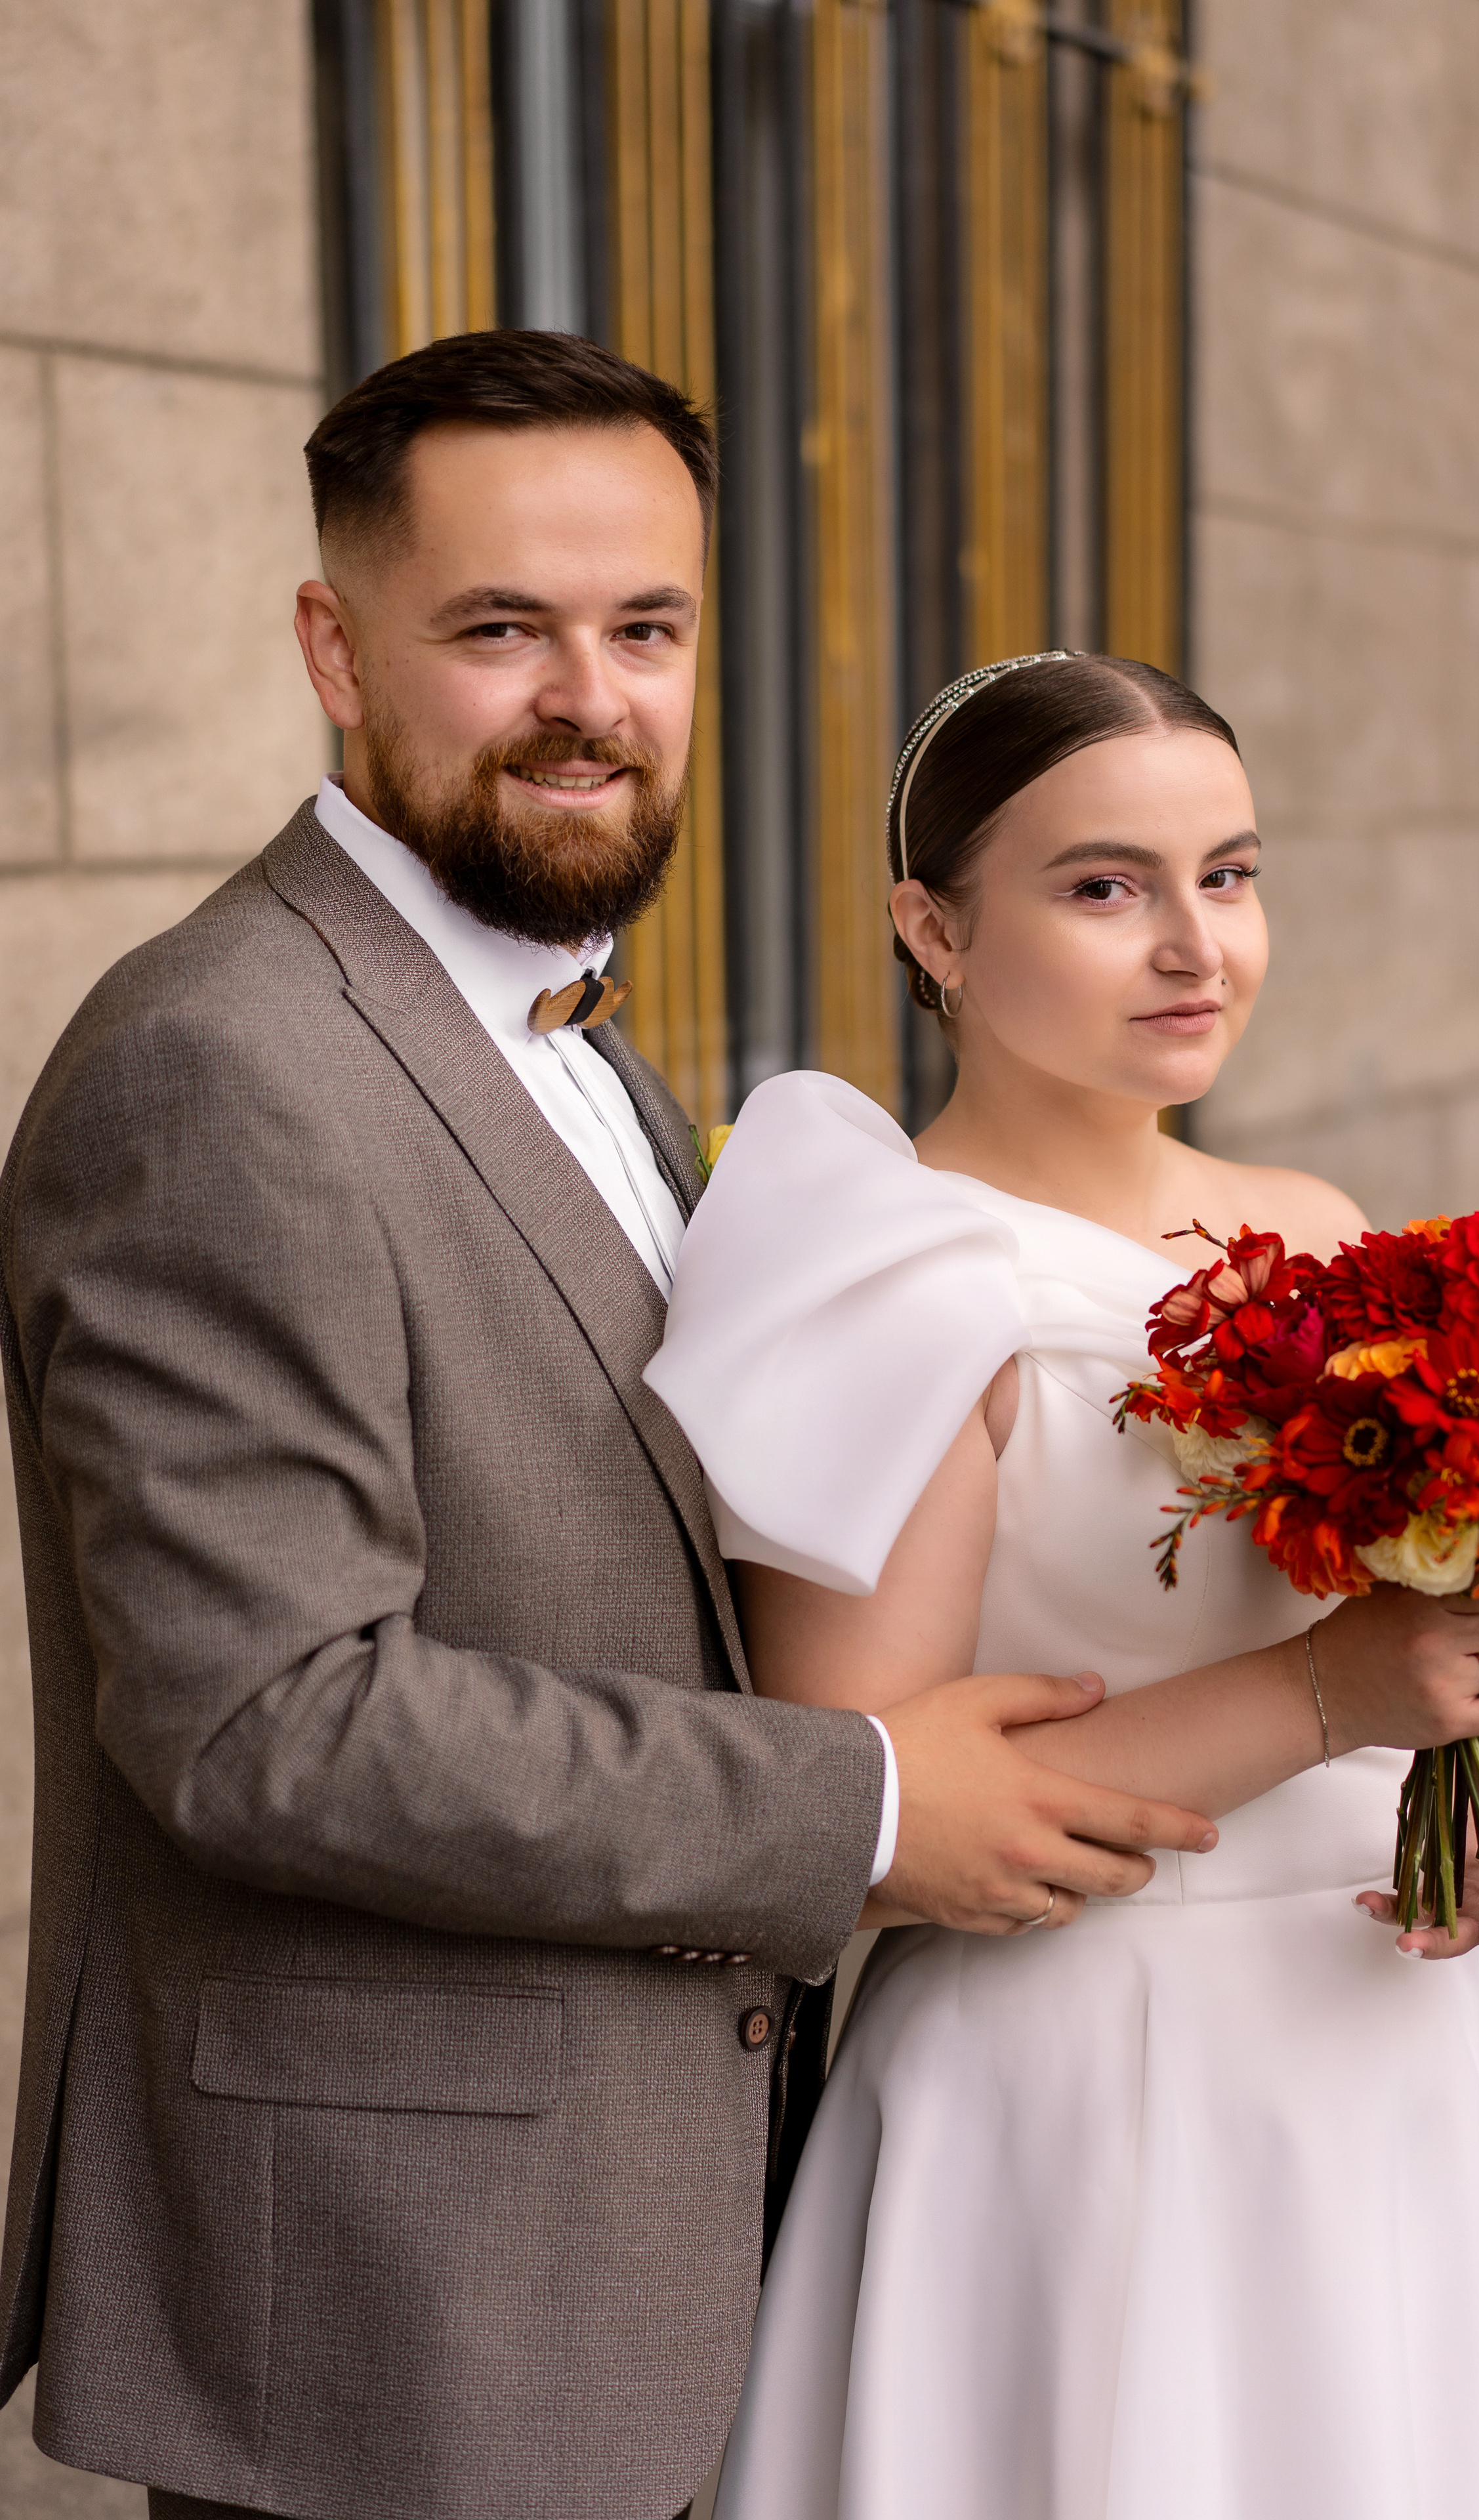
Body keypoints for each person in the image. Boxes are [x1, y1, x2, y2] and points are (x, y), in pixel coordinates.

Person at [0, 341, 1228, 2520]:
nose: (592, 697)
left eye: (644, 629)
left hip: (650, 2248)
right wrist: (853, 1808)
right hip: (406, 2309)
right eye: (500, 630)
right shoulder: (222, 1067)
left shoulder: (578, 1051)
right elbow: (266, 1720)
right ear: (334, 646)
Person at [647, 651, 1479, 2520]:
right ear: (929, 927)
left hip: (1380, 2039)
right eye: (1105, 887)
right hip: (1095, 2069)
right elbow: (857, 1803)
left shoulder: (1327, 1223)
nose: (1196, 943)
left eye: (1233, 873)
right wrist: (1353, 1695)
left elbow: (1385, 1635)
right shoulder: (900, 1276)